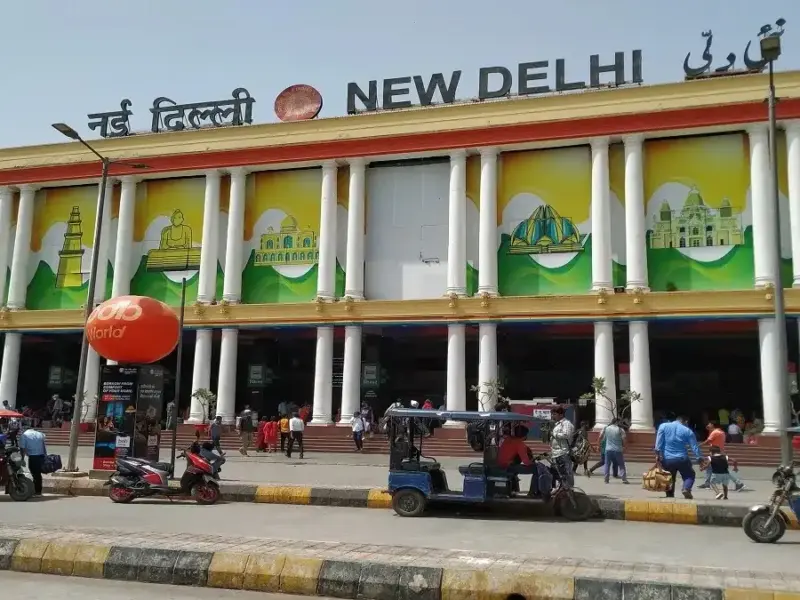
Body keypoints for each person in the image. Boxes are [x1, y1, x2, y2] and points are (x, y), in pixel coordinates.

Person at [655, 415, 703, 499]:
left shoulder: (663, 426)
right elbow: (694, 447)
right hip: (682, 458)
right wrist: (699, 458)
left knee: (669, 477)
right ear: (686, 422)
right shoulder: (688, 431)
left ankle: (669, 495)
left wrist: (657, 455)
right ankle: (686, 488)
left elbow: (658, 443)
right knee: (689, 475)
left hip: (667, 459)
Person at [698, 422, 745, 491]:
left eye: (709, 424)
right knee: (711, 469)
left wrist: (698, 446)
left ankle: (738, 483)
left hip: (716, 454)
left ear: (713, 425)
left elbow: (708, 441)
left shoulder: (715, 432)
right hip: (719, 452)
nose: (707, 425)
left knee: (723, 470)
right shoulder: (721, 432)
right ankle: (707, 484)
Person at [549, 405, 575, 489]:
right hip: (555, 453)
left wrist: (554, 434)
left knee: (566, 474)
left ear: (561, 415)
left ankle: (568, 492)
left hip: (563, 453)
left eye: (554, 414)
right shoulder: (557, 424)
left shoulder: (566, 424)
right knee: (557, 474)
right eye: (552, 414)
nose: (553, 416)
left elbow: (566, 435)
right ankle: (561, 491)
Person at [19, 426, 47, 497]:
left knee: (35, 474)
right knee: (37, 474)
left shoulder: (24, 435)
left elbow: (22, 449)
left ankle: (37, 492)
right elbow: (44, 445)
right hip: (41, 456)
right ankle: (37, 490)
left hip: (33, 457)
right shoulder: (40, 434)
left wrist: (21, 459)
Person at [600, 418, 628, 484]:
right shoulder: (620, 429)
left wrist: (599, 445)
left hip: (608, 449)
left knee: (607, 464)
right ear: (617, 422)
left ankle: (606, 479)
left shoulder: (606, 428)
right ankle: (624, 479)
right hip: (618, 449)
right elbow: (624, 439)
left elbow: (601, 437)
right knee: (621, 464)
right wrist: (625, 447)